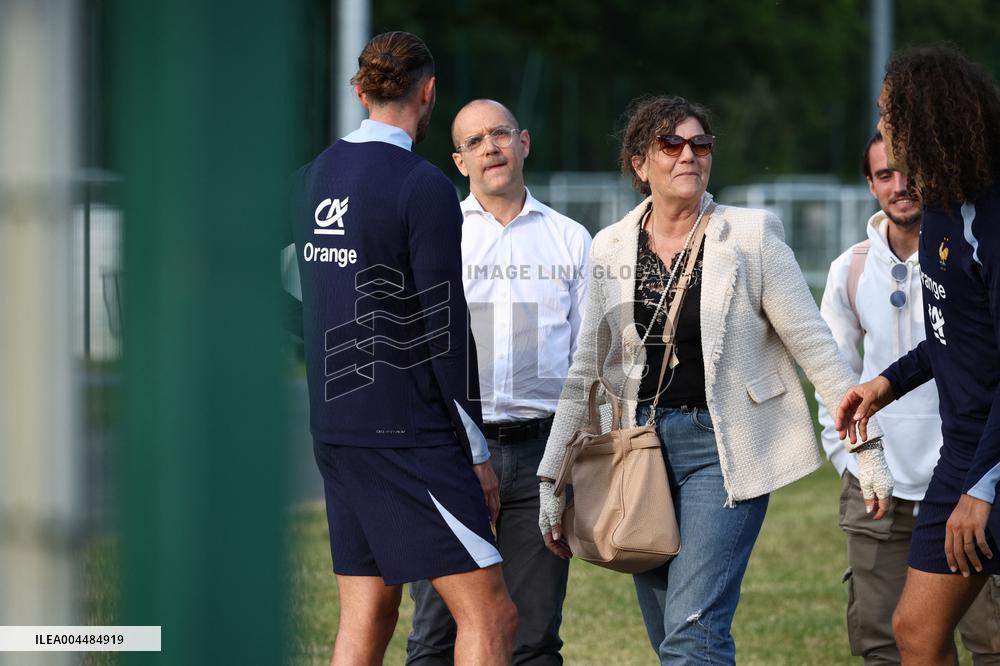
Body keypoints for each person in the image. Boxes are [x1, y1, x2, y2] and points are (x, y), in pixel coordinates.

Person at [535, 94, 892, 665]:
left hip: (723, 453)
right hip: (639, 454)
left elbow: (815, 348)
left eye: (700, 144)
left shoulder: (750, 236)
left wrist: (865, 447)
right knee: (671, 636)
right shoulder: (609, 247)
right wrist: (553, 478)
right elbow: (586, 372)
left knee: (692, 631)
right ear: (639, 162)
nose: (689, 156)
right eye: (671, 144)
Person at [288, 32, 517, 666]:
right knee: (492, 614)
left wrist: (303, 323)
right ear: (429, 91)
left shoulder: (311, 177)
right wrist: (475, 451)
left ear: (360, 92)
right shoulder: (423, 185)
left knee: (369, 613)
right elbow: (446, 327)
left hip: (335, 431)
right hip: (409, 436)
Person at [406, 99, 589, 665]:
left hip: (543, 454)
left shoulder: (571, 239)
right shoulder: (437, 236)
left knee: (533, 639)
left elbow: (589, 360)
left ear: (524, 142)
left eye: (501, 134)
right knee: (434, 635)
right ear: (459, 161)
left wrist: (570, 459)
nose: (491, 147)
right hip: (451, 455)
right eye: (476, 141)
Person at [836, 46, 1000, 665]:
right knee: (914, 631)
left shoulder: (991, 219)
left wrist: (981, 489)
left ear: (928, 117)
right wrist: (884, 383)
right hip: (966, 456)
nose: (884, 125)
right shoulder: (937, 213)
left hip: (988, 462)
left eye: (891, 111)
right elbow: (954, 335)